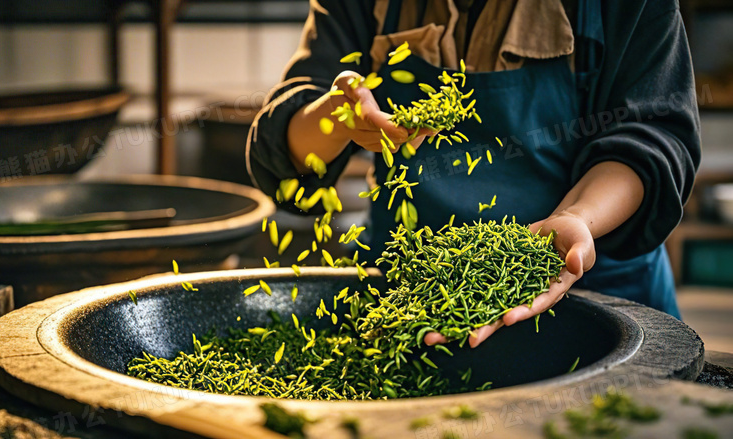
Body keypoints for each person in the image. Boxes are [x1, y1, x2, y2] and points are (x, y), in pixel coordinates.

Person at [247, 0, 701, 348]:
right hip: (409, 290)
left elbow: (652, 131)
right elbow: (287, 152)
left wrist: (578, 218)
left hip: (599, 298)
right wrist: (338, 115)